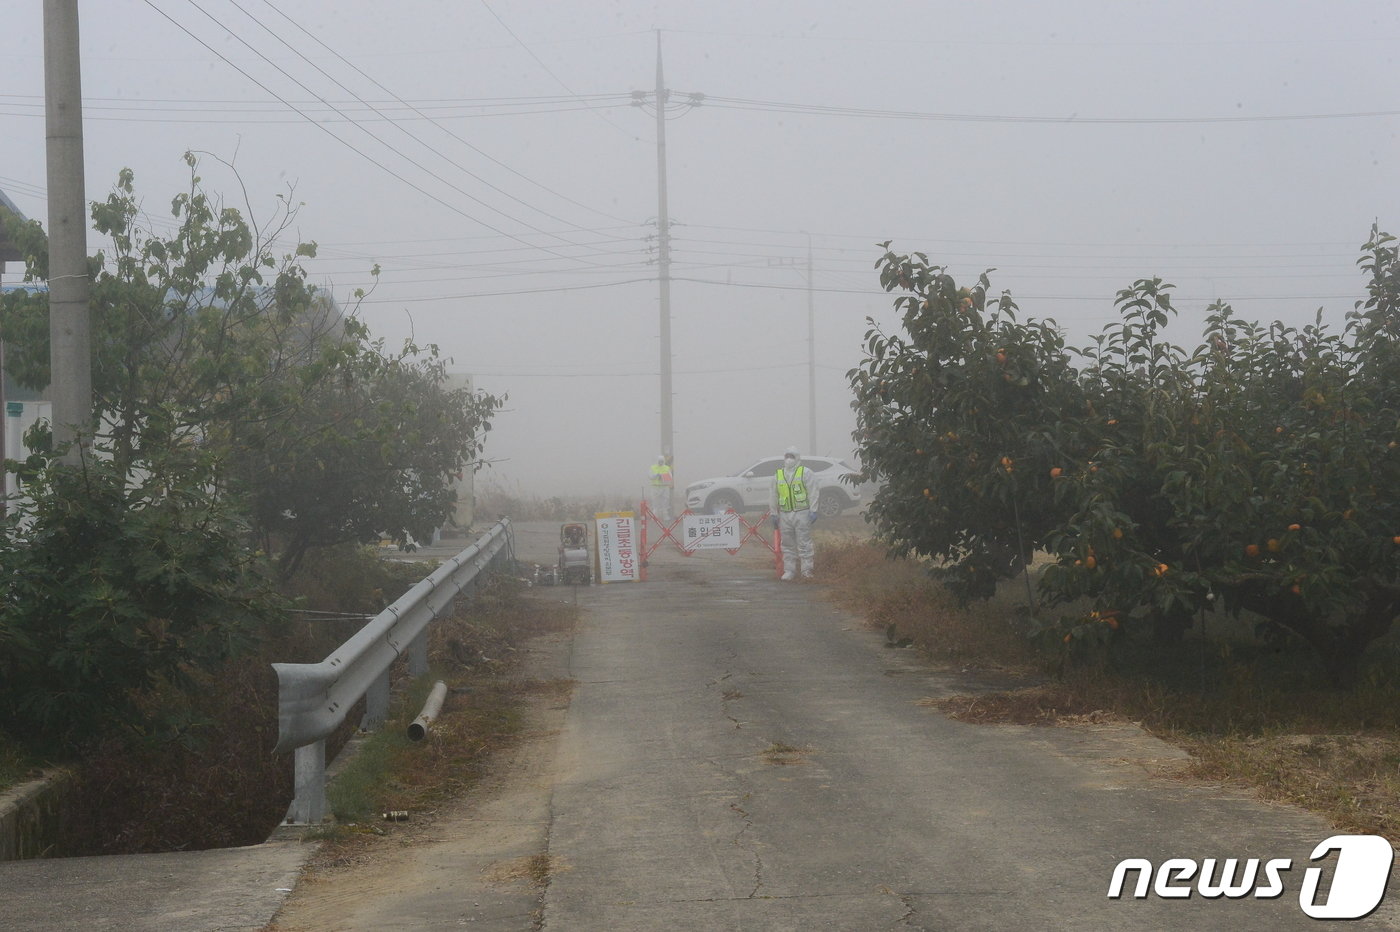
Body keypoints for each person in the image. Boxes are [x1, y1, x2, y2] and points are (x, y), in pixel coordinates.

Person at [770, 446, 818, 580]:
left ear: (797, 458)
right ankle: (789, 570)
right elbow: (773, 495)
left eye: (791, 457)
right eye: (787, 457)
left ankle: (807, 571)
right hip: (785, 514)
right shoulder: (778, 474)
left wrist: (813, 510)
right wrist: (774, 513)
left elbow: (813, 491)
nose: (789, 460)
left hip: (802, 512)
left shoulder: (805, 472)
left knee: (804, 543)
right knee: (787, 544)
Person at [647, 453, 673, 522]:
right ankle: (655, 516)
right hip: (655, 487)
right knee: (655, 503)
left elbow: (670, 477)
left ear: (663, 461)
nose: (660, 462)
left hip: (664, 487)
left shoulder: (667, 468)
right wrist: (656, 475)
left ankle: (665, 515)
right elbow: (650, 476)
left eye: (662, 461)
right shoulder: (653, 467)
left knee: (665, 502)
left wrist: (662, 476)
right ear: (657, 461)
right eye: (659, 461)